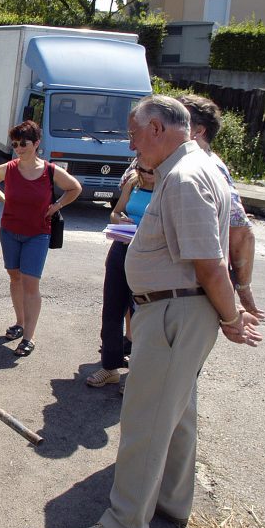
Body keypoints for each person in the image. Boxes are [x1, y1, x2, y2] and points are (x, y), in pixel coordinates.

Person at [70, 95, 263, 528]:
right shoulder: (198, 167)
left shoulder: (185, 177)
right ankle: (172, 502)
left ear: (158, 128)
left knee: (146, 420)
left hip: (175, 313)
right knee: (176, 416)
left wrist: (234, 317)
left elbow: (210, 264)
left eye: (134, 133)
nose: (131, 144)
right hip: (178, 309)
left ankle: (123, 525)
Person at [0, 120, 82, 357]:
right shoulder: (9, 168)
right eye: (15, 144)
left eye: (23, 143)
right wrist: (4, 199)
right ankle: (20, 323)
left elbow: (75, 188)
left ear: (36, 143)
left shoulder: (49, 171)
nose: (19, 148)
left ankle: (28, 337)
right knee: (15, 277)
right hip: (10, 232)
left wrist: (56, 206)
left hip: (37, 233)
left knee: (30, 283)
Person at [178, 94, 264, 317]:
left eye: (179, 121)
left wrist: (243, 289)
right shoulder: (178, 162)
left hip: (188, 292)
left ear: (199, 131)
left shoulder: (208, 167)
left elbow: (241, 231)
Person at [86, 161, 155, 389]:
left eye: (151, 170)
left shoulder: (168, 187)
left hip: (149, 255)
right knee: (112, 309)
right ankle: (110, 367)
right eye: (143, 169)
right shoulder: (133, 182)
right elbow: (115, 212)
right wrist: (119, 221)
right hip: (122, 247)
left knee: (142, 315)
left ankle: (136, 375)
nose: (147, 174)